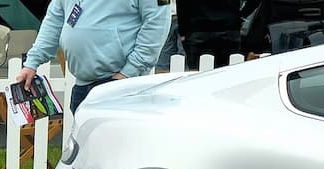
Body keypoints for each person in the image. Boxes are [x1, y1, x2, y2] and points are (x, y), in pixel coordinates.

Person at [16, 0, 173, 114]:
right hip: (83, 86)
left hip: (123, 85)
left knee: (119, 148)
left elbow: (156, 24)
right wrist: (32, 63)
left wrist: (128, 73)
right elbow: (53, 21)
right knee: (88, 150)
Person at [176, 0, 244, 69]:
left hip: (199, 27)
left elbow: (181, 4)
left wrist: (183, 30)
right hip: (229, 28)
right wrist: (241, 16)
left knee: (198, 72)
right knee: (229, 70)